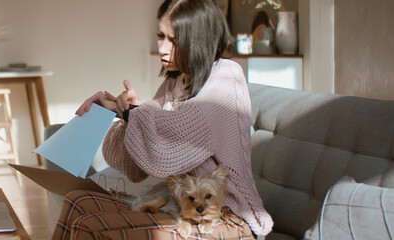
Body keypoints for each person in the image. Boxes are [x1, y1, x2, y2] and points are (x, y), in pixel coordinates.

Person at [53, 0, 273, 239]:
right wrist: (119, 113)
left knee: (93, 224)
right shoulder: (173, 83)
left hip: (225, 216)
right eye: (161, 36)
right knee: (78, 201)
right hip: (178, 207)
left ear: (199, 39)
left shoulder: (226, 77)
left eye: (175, 41)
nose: (163, 49)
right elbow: (134, 168)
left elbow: (165, 152)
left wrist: (131, 113)